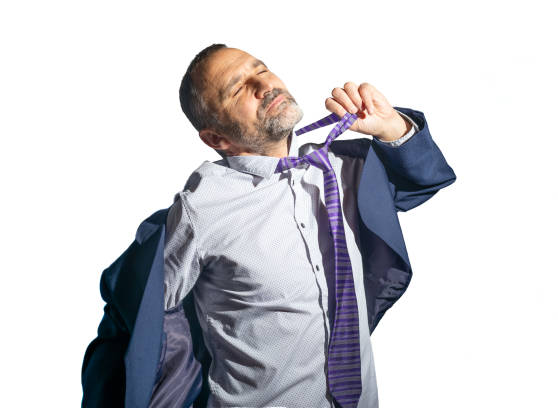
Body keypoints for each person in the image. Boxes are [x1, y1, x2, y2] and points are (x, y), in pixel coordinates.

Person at [81, 43, 456, 408]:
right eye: (238, 88)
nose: (264, 86)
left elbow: (424, 179)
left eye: (260, 69)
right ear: (217, 138)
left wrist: (391, 127)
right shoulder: (202, 208)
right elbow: (137, 311)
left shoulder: (342, 170)